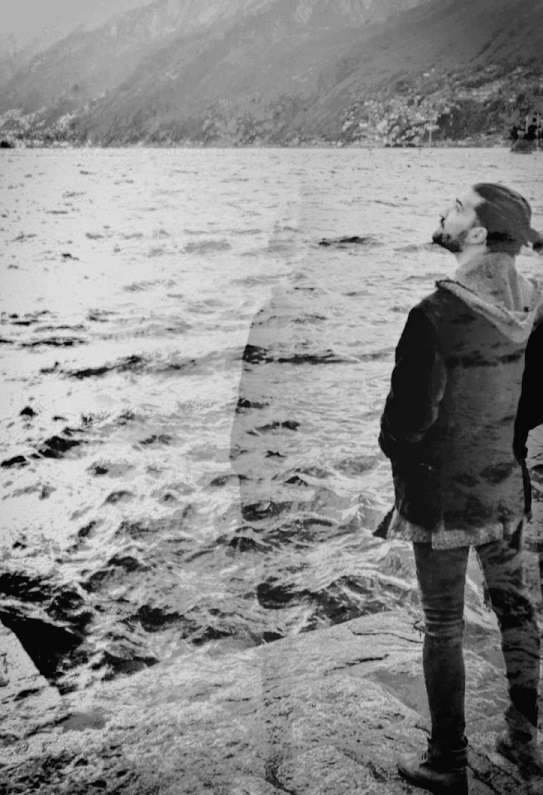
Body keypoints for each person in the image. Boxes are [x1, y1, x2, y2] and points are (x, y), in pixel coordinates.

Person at [376, 183, 543, 793]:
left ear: (476, 232)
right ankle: (524, 735)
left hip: (443, 497)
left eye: (456, 206)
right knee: (514, 605)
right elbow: (535, 398)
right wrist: (501, 439)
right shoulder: (534, 303)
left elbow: (405, 425)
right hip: (505, 483)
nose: (443, 210)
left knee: (443, 624)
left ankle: (447, 760)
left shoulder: (433, 315)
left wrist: (397, 448)